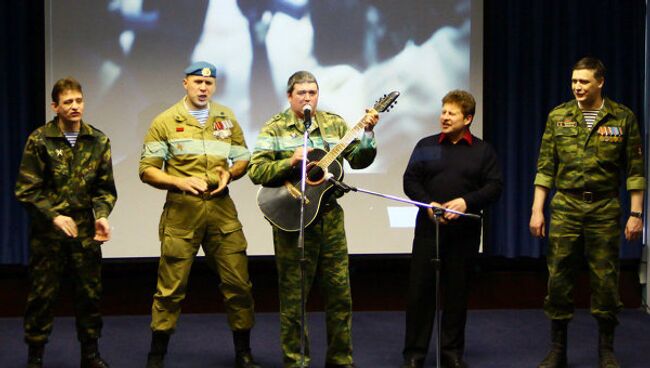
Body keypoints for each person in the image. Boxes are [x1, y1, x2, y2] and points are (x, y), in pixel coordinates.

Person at [248, 70, 379, 368]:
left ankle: (341, 361)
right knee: (294, 301)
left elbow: (359, 159)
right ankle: (296, 362)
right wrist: (290, 161)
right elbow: (256, 170)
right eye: (301, 93)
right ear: (290, 96)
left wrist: (368, 133)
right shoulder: (275, 128)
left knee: (340, 296)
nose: (308, 98)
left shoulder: (334, 123)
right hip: (293, 220)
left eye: (312, 93)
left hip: (330, 217)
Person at [138, 61, 260, 368]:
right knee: (170, 289)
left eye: (208, 84)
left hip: (221, 210)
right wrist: (177, 180)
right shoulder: (165, 121)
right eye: (197, 83)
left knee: (239, 284)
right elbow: (147, 170)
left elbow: (244, 157)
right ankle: (156, 356)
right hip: (183, 211)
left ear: (214, 86)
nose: (203, 88)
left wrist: (230, 173)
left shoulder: (226, 118)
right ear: (185, 84)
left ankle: (244, 353)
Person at [530, 57, 645, 368]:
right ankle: (557, 350)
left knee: (606, 280)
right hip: (565, 206)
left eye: (584, 82)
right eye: (574, 82)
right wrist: (537, 210)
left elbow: (635, 170)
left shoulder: (622, 117)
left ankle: (606, 350)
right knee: (558, 279)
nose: (577, 87)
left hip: (604, 207)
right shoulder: (559, 116)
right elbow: (545, 168)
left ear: (600, 82)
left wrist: (636, 215)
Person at [15, 77, 117, 368]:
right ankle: (35, 356)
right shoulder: (40, 140)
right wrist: (54, 215)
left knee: (90, 296)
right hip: (48, 237)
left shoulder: (98, 140)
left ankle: (90, 354)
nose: (75, 107)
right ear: (55, 106)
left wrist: (102, 216)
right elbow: (26, 190)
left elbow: (104, 189)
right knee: (42, 298)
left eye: (79, 101)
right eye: (68, 102)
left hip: (85, 235)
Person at [400, 90, 502, 368]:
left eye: (451, 113)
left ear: (467, 118)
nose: (444, 117)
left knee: (457, 293)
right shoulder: (426, 145)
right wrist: (427, 204)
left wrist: (466, 202)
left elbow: (494, 187)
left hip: (464, 234)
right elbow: (410, 181)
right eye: (443, 111)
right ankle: (414, 355)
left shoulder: (483, 151)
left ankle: (451, 353)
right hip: (428, 230)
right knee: (420, 293)